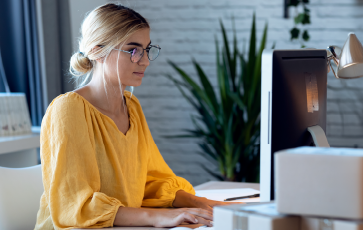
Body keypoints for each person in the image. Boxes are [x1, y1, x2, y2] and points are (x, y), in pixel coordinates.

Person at [33, 3, 238, 230]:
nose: (145, 61)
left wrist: (202, 203)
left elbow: (151, 180)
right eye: (133, 50)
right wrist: (157, 217)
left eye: (147, 49)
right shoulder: (68, 109)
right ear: (97, 50)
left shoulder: (132, 106)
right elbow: (76, 206)